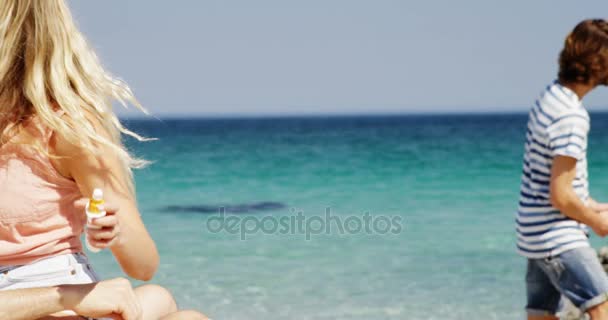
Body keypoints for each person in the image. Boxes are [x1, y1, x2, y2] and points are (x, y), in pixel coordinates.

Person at [0, 1, 207, 319]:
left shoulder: (65, 129)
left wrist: (117, 231)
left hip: (69, 291)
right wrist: (68, 297)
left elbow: (143, 265)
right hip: (54, 300)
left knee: (162, 300)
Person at [516, 19, 608, 320]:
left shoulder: (550, 96)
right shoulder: (571, 117)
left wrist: (593, 205)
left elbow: (547, 179)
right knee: (602, 307)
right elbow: (561, 196)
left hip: (534, 233)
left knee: (541, 315)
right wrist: (597, 222)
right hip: (558, 237)